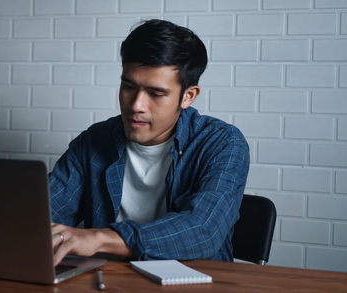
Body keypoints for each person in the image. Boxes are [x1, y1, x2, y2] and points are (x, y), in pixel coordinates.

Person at [49, 19, 250, 266]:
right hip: (109, 281)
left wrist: (100, 239)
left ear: (188, 96)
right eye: (128, 86)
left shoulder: (222, 143)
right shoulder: (94, 141)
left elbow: (203, 230)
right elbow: (44, 214)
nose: (136, 105)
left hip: (194, 282)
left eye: (155, 93)